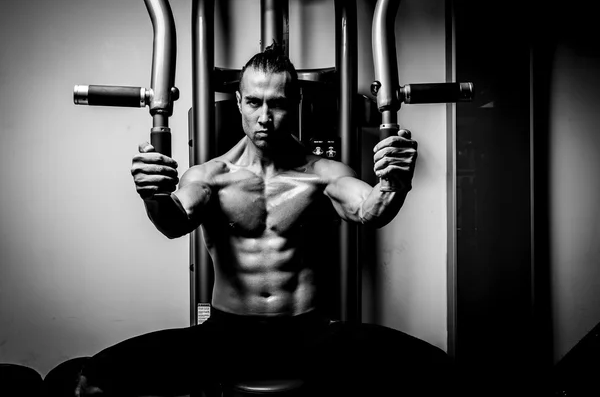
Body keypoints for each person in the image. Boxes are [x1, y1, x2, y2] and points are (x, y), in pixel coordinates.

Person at [74, 44, 452, 397]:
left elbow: (369, 212)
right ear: (239, 101)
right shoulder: (209, 176)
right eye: (254, 102)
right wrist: (152, 194)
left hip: (310, 334)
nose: (265, 118)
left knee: (442, 371)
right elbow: (173, 223)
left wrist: (395, 183)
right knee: (87, 381)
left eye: (278, 104)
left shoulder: (324, 173)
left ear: (296, 102)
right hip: (226, 335)